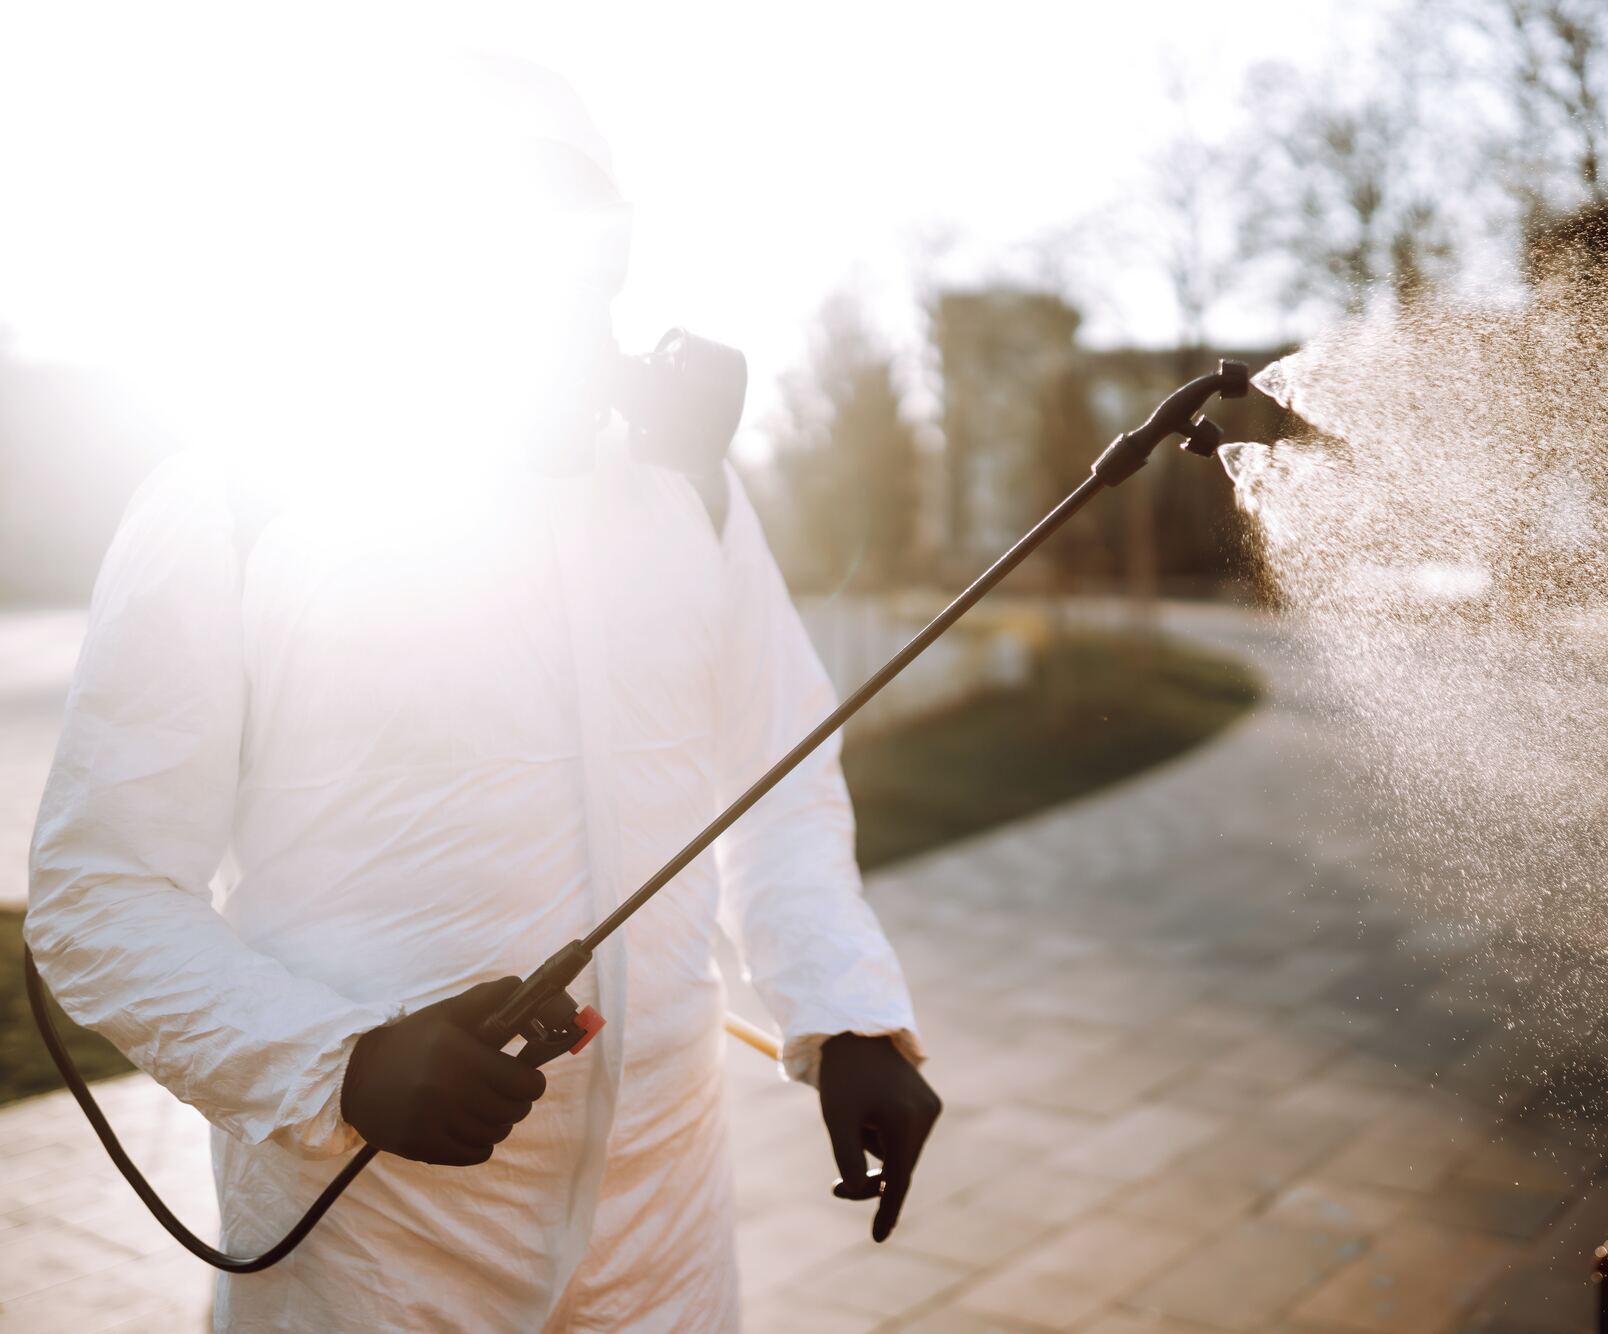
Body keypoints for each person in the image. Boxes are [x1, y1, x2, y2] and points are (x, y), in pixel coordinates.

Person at [25, 51, 938, 1330]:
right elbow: (99, 891)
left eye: (574, 226)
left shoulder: (691, 494)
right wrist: (338, 1063)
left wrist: (845, 1013)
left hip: (663, 1231)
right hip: (375, 1249)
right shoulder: (236, 501)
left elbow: (776, 781)